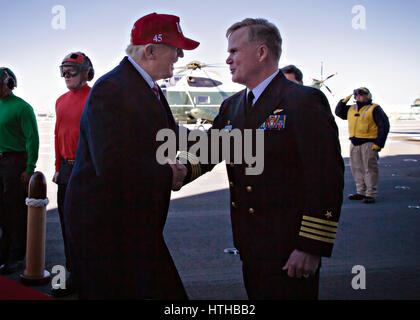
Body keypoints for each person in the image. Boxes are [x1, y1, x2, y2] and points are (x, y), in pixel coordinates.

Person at [180, 18, 344, 300]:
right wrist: (179, 171)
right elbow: (211, 150)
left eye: (234, 51)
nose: (227, 59)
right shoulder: (232, 106)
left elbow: (325, 177)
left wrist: (310, 246)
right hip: (250, 241)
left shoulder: (302, 101)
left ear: (261, 52)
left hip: (289, 247)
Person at [63, 13, 199, 299]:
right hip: (106, 230)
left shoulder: (147, 88)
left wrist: (229, 138)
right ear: (150, 51)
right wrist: (168, 173)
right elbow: (111, 166)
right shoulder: (112, 88)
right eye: (175, 48)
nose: (179, 55)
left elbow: (171, 134)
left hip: (134, 223)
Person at [51, 52, 93, 296]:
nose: (66, 75)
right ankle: (73, 273)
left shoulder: (96, 97)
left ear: (87, 72)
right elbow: (58, 134)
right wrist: (57, 167)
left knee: (88, 225)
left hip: (88, 168)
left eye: (72, 70)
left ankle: (91, 275)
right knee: (67, 224)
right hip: (67, 170)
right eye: (63, 70)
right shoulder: (60, 100)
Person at [0, 67, 39, 274]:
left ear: (9, 84)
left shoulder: (22, 108)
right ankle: (3, 253)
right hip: (0, 162)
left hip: (15, 163)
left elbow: (32, 139)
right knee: (2, 212)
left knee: (14, 211)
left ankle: (16, 257)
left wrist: (29, 168)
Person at [335, 87, 390, 204]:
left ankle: (370, 193)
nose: (359, 97)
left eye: (362, 94)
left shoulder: (374, 108)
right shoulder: (351, 109)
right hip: (354, 143)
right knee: (356, 169)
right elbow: (339, 113)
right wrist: (342, 102)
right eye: (357, 95)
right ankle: (361, 192)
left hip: (369, 143)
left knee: (369, 169)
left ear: (368, 96)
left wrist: (379, 144)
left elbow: (384, 126)